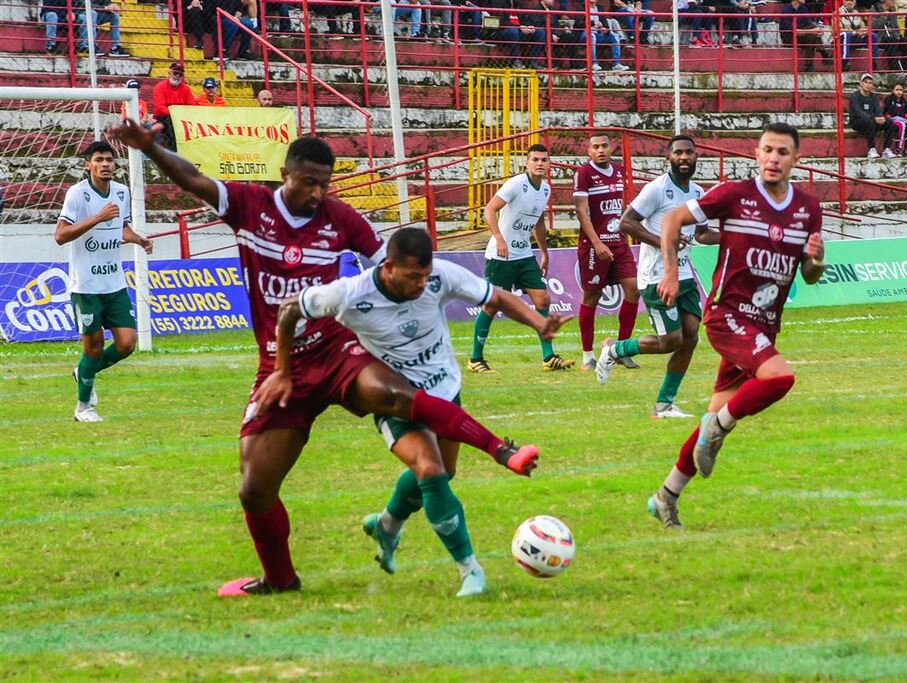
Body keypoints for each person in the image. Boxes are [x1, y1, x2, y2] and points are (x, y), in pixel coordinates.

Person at [106, 123, 543, 596]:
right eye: (307, 182)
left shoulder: (341, 218)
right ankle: (280, 578)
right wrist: (152, 148)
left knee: (395, 394)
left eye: (324, 184)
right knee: (254, 487)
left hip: (338, 350)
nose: (316, 193)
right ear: (284, 174)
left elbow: (390, 269)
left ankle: (500, 448)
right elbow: (193, 179)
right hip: (281, 363)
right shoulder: (250, 205)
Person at [269, 228, 569, 596]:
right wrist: (282, 370)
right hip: (394, 399)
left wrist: (539, 323)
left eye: (425, 277)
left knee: (445, 472)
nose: (421, 285)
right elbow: (288, 311)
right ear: (389, 267)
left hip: (446, 390)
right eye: (413, 277)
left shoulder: (441, 276)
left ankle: (388, 524)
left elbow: (498, 296)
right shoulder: (350, 294)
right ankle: (469, 570)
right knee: (430, 471)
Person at [646, 122, 825, 529]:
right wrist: (671, 272)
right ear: (756, 154)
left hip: (764, 325)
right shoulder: (735, 195)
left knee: (713, 414)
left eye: (782, 152)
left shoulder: (808, 209)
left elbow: (811, 274)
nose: (773, 159)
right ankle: (719, 425)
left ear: (795, 159)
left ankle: (666, 495)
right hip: (727, 316)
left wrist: (816, 259)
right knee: (780, 379)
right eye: (767, 150)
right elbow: (673, 220)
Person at [598, 135, 719, 419]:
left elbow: (701, 233)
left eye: (689, 152)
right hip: (656, 276)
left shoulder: (698, 192)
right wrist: (661, 240)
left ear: (696, 156)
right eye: (678, 153)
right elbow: (625, 222)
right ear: (669, 158)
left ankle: (665, 404)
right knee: (671, 341)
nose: (684, 157)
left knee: (690, 337)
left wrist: (734, 236)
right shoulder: (657, 189)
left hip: (685, 273)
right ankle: (615, 350)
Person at [54, 141, 153, 422]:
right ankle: (83, 407)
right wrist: (97, 217)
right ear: (88, 165)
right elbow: (60, 235)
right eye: (99, 159)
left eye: (109, 159)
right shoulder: (77, 194)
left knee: (127, 344)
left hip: (114, 283)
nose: (106, 164)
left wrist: (138, 239)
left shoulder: (121, 193)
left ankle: (84, 371)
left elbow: (120, 229)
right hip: (85, 286)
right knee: (93, 348)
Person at [469, 144, 576, 372]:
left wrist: (544, 252)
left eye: (544, 160)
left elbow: (538, 221)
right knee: (492, 305)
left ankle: (548, 357)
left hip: (524, 254)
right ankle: (475, 359)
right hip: (501, 256)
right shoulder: (516, 184)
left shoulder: (545, 189)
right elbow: (489, 209)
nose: (539, 163)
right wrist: (498, 238)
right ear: (526, 163)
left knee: (542, 300)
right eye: (535, 159)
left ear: (549, 164)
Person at [573, 134, 640, 371]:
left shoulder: (620, 170)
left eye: (604, 146)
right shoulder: (584, 174)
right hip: (594, 245)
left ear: (611, 148)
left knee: (633, 289)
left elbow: (623, 207)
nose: (600, 150)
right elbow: (582, 212)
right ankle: (587, 355)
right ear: (588, 151)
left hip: (619, 243)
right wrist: (597, 243)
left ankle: (620, 350)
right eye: (595, 147)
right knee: (592, 296)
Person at [151, 62, 197, 152]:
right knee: (171, 122)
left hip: (181, 116)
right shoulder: (160, 87)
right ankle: (175, 151)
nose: (177, 76)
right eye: (175, 73)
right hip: (164, 116)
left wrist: (181, 114)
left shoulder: (186, 89)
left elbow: (192, 105)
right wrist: (175, 113)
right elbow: (160, 107)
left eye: (180, 74)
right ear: (169, 73)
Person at [780, 0, 829, 71]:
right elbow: (795, 32)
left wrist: (817, 30)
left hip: (803, 37)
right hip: (789, 39)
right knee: (812, 33)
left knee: (812, 36)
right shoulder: (786, 10)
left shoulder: (803, 9)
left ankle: (809, 66)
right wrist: (812, 31)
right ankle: (822, 52)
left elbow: (809, 25)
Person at [581, 0, 629, 70]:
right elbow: (578, 23)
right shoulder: (582, 8)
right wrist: (593, 23)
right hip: (585, 34)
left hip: (598, 34)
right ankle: (593, 64)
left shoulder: (600, 8)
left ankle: (616, 64)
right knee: (591, 35)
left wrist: (604, 29)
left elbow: (605, 24)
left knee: (614, 35)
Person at [848, 72, 885, 158]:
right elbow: (858, 112)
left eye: (870, 83)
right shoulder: (855, 96)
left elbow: (878, 109)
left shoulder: (874, 96)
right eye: (866, 82)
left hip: (871, 121)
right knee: (870, 121)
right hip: (857, 122)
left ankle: (887, 149)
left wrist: (880, 117)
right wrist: (874, 118)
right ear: (861, 83)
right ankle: (872, 149)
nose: (868, 85)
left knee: (889, 122)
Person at [838, 0, 880, 70]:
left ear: (854, 2)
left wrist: (864, 31)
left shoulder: (856, 13)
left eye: (851, 1)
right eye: (847, 0)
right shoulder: (838, 12)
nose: (849, 2)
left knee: (873, 35)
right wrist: (856, 32)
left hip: (854, 38)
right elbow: (839, 30)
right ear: (843, 2)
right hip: (840, 39)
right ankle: (844, 61)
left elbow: (863, 26)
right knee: (846, 34)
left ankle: (873, 61)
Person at [881, 82, 907, 156]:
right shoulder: (889, 99)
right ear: (893, 91)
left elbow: (905, 112)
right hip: (892, 119)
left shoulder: (904, 101)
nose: (899, 92)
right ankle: (898, 148)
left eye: (901, 90)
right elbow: (886, 112)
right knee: (902, 125)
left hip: (901, 119)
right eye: (897, 90)